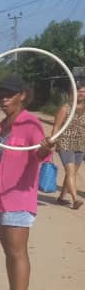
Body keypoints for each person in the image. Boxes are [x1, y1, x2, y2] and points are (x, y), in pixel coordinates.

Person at [0, 75, 54, 290]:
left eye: (9, 94)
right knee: (9, 252)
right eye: (1, 94)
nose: (4, 99)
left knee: (17, 252)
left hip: (19, 198)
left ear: (22, 95)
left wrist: (45, 148)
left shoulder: (31, 125)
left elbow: (40, 155)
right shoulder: (0, 128)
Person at [51, 75, 85, 209]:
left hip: (80, 144)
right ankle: (75, 199)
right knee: (70, 172)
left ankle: (61, 198)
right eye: (79, 91)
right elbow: (56, 126)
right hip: (65, 143)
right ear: (74, 92)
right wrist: (52, 141)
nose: (81, 94)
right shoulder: (66, 108)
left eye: (84, 92)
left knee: (72, 173)